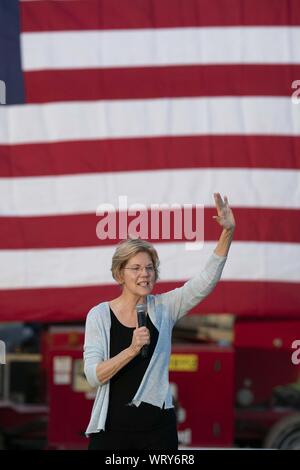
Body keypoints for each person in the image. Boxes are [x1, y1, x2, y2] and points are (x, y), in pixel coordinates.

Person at [84, 193, 235, 450]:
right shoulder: (99, 315)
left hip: (157, 434)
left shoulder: (164, 308)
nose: (145, 274)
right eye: (137, 268)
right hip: (112, 433)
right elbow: (92, 376)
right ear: (120, 274)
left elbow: (204, 282)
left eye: (150, 267)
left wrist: (227, 233)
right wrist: (131, 350)